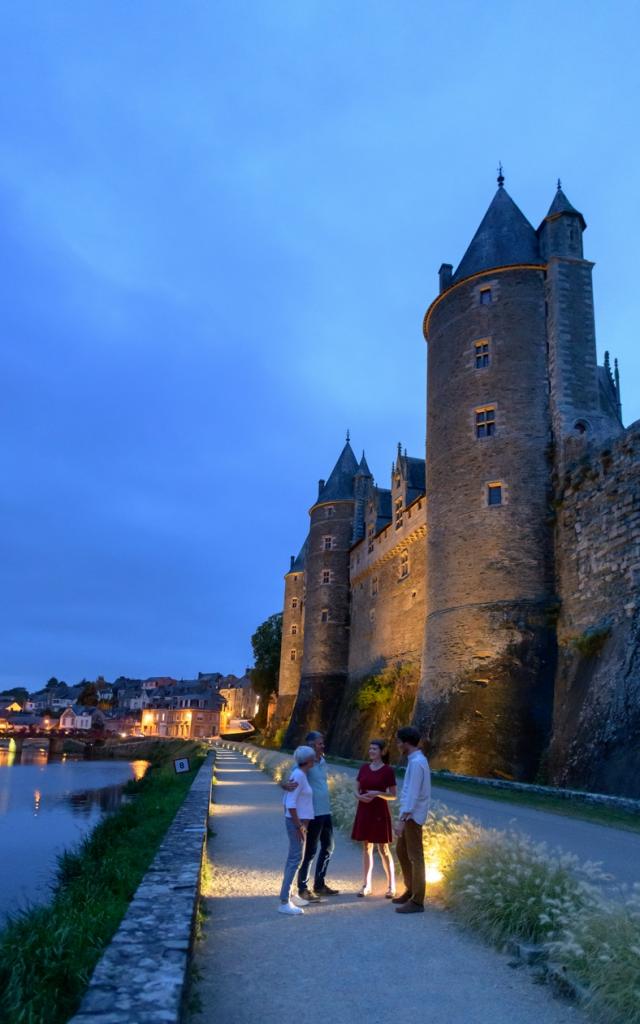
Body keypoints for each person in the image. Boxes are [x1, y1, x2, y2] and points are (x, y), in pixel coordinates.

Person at [281, 731, 340, 902]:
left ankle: (319, 884)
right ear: (311, 745)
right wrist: (284, 785)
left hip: (325, 811)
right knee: (310, 851)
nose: (323, 745)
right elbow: (292, 778)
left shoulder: (322, 761)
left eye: (322, 743)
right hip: (312, 813)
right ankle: (303, 888)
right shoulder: (306, 763)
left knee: (329, 846)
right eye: (320, 743)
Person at [392, 725, 431, 915]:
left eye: (399, 741)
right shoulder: (416, 760)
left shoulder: (417, 763)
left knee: (415, 857)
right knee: (402, 850)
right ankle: (410, 889)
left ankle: (417, 900)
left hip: (413, 816)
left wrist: (402, 819)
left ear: (406, 743)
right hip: (411, 815)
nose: (397, 745)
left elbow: (413, 794)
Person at [351, 739, 397, 897]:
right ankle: (366, 885)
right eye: (370, 748)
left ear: (382, 752)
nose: (371, 751)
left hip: (379, 811)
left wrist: (377, 793)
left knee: (384, 849)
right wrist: (359, 796)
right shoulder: (364, 768)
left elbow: (393, 796)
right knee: (366, 847)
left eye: (375, 749)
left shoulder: (388, 771)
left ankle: (392, 886)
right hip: (364, 809)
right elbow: (356, 788)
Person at [278, 745, 316, 916]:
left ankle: (290, 895)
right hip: (297, 824)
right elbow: (290, 803)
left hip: (298, 823)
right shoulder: (300, 775)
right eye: (313, 757)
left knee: (294, 859)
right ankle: (284, 901)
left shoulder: (300, 774)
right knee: (295, 860)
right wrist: (299, 825)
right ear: (308, 761)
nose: (315, 759)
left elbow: (288, 799)